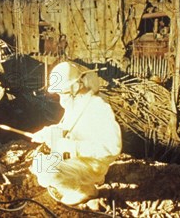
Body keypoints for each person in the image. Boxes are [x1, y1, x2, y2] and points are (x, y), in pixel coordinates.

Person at [30, 61, 122, 205]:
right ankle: (78, 182)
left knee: (47, 171)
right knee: (39, 164)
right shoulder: (76, 104)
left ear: (75, 86)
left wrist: (72, 146)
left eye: (62, 92)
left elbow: (112, 147)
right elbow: (68, 128)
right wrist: (47, 133)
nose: (61, 97)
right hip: (76, 159)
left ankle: (85, 190)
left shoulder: (97, 106)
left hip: (91, 163)